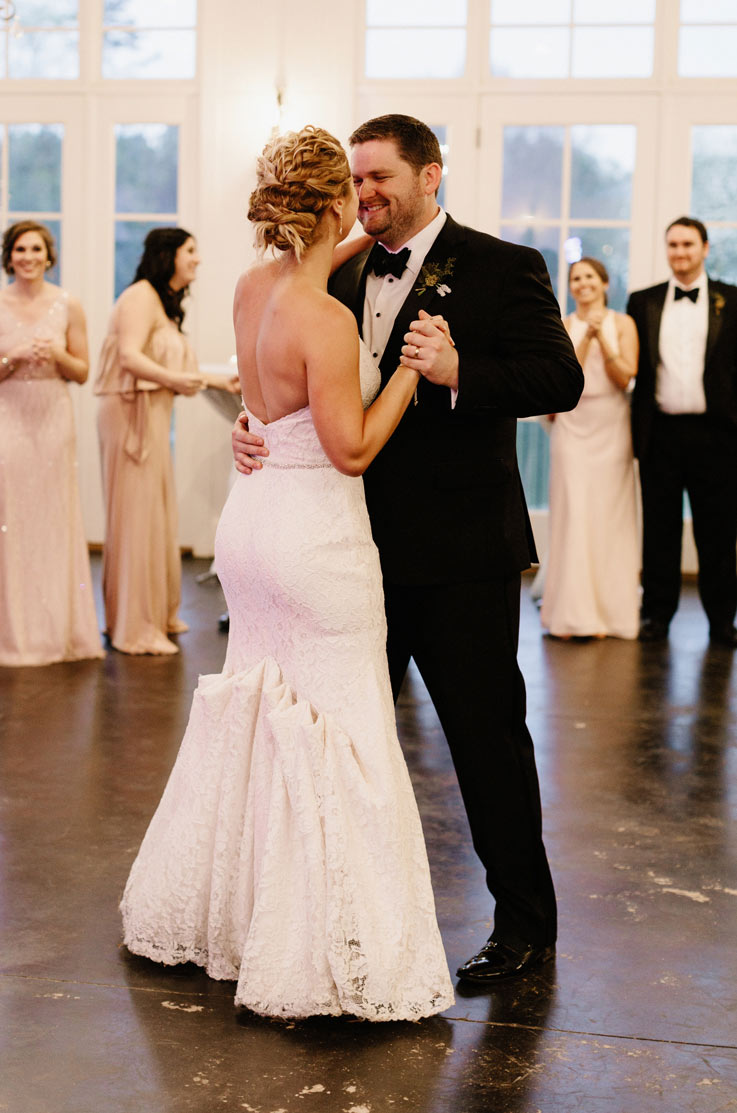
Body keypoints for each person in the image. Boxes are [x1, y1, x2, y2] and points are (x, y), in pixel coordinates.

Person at [233, 114, 584, 984]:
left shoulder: (505, 266)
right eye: (354, 180)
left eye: (381, 177)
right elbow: (293, 387)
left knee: (483, 740)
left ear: (433, 175)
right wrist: (251, 430)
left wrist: (461, 370)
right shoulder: (335, 267)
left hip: (460, 555)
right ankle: (331, 922)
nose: (365, 194)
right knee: (336, 743)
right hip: (346, 556)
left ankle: (524, 926)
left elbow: (559, 379)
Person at [121, 126, 454, 1021]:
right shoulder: (329, 317)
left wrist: (351, 231)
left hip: (250, 522)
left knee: (266, 711)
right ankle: (323, 947)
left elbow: (273, 378)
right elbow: (349, 450)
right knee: (343, 727)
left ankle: (236, 914)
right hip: (315, 537)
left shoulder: (249, 287)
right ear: (333, 206)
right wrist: (409, 378)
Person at [95, 227, 237, 655]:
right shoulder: (139, 296)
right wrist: (182, 380)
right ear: (168, 255)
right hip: (128, 413)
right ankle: (133, 626)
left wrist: (216, 380)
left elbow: (165, 368)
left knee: (154, 514)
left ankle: (156, 613)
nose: (197, 260)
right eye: (190, 251)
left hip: (153, 413)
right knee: (136, 518)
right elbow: (131, 357)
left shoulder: (163, 303)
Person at [627, 217, 737, 646]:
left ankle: (721, 621)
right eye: (672, 245)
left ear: (705, 248)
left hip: (718, 435)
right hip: (662, 434)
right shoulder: (643, 301)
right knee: (659, 530)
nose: (680, 252)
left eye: (688, 244)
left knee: (718, 531)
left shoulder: (732, 299)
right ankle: (656, 615)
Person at [0, 220, 104, 667]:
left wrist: (56, 355)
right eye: (20, 249)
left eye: (35, 249)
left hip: (53, 415)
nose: (28, 257)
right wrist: (13, 357)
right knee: (11, 518)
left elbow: (82, 372)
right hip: (9, 414)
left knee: (53, 517)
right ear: (9, 256)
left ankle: (58, 629)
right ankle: (13, 630)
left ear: (48, 255)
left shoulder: (68, 304)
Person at [541, 257, 640, 639]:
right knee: (575, 512)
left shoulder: (624, 324)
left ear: (604, 284)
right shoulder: (562, 325)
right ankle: (572, 615)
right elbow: (565, 380)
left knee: (608, 517)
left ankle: (612, 615)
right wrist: (585, 337)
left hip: (611, 426)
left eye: (589, 278)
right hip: (572, 424)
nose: (583, 284)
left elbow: (625, 377)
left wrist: (604, 339)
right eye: (576, 278)